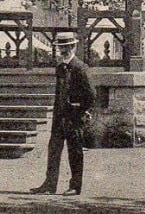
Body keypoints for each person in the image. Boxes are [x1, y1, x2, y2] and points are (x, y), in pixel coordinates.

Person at [31, 32, 96, 196]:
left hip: (74, 118)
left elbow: (91, 95)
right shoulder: (60, 68)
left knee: (75, 152)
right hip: (59, 118)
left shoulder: (81, 68)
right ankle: (49, 185)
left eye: (67, 46)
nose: (63, 50)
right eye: (61, 47)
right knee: (53, 150)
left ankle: (75, 186)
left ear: (73, 47)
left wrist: (79, 109)